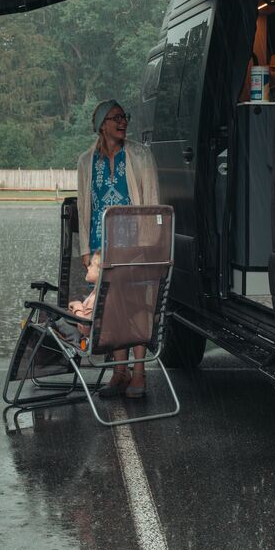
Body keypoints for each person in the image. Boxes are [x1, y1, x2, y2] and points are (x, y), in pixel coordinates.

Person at [76, 99, 159, 398]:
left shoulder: (139, 155)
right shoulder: (87, 162)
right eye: (115, 118)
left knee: (137, 308)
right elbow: (84, 207)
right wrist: (86, 248)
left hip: (136, 246)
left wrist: (152, 245)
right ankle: (119, 372)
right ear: (101, 125)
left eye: (124, 116)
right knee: (112, 310)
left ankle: (139, 373)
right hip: (103, 247)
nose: (123, 122)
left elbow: (151, 201)